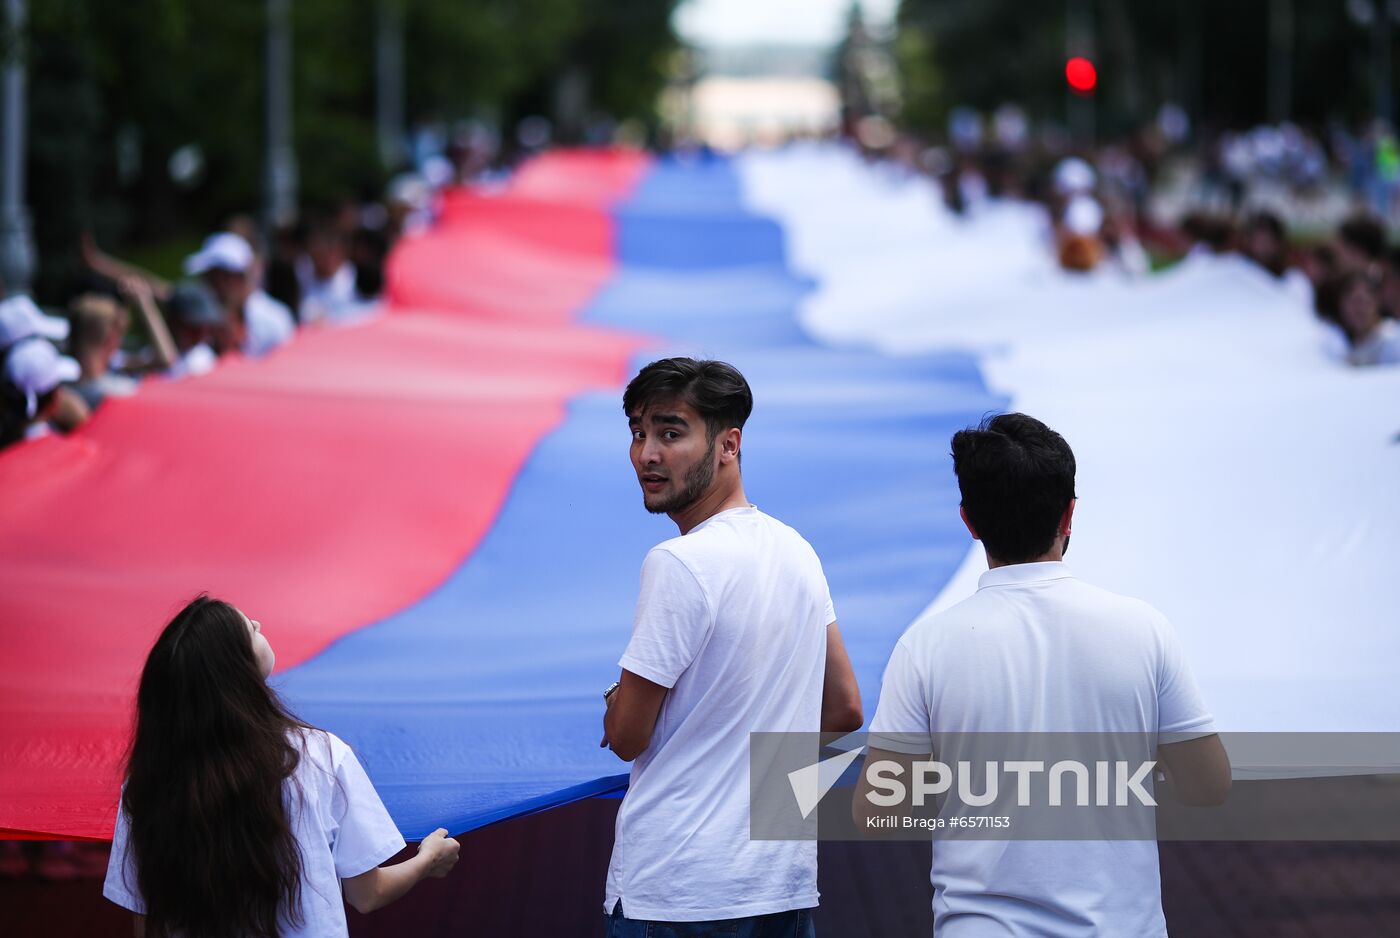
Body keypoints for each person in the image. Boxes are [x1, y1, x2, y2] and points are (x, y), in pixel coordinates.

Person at [857, 413, 1231, 937]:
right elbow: (1208, 785)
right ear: (1069, 514)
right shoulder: (1144, 629)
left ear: (968, 521)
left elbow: (878, 814)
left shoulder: (926, 646)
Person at [600, 357, 863, 936]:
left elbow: (625, 736)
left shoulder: (678, 563)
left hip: (675, 891)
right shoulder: (797, 550)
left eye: (671, 433)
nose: (647, 454)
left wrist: (615, 696)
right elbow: (844, 711)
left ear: (729, 443)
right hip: (780, 886)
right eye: (638, 433)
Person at [104, 595, 460, 937]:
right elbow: (367, 894)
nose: (258, 623)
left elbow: (147, 921)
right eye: (250, 629)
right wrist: (427, 860)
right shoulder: (321, 757)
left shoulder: (148, 783)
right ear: (237, 669)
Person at [183, 232, 296, 358]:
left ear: (232, 279)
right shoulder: (206, 320)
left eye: (211, 277)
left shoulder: (274, 320)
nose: (206, 285)